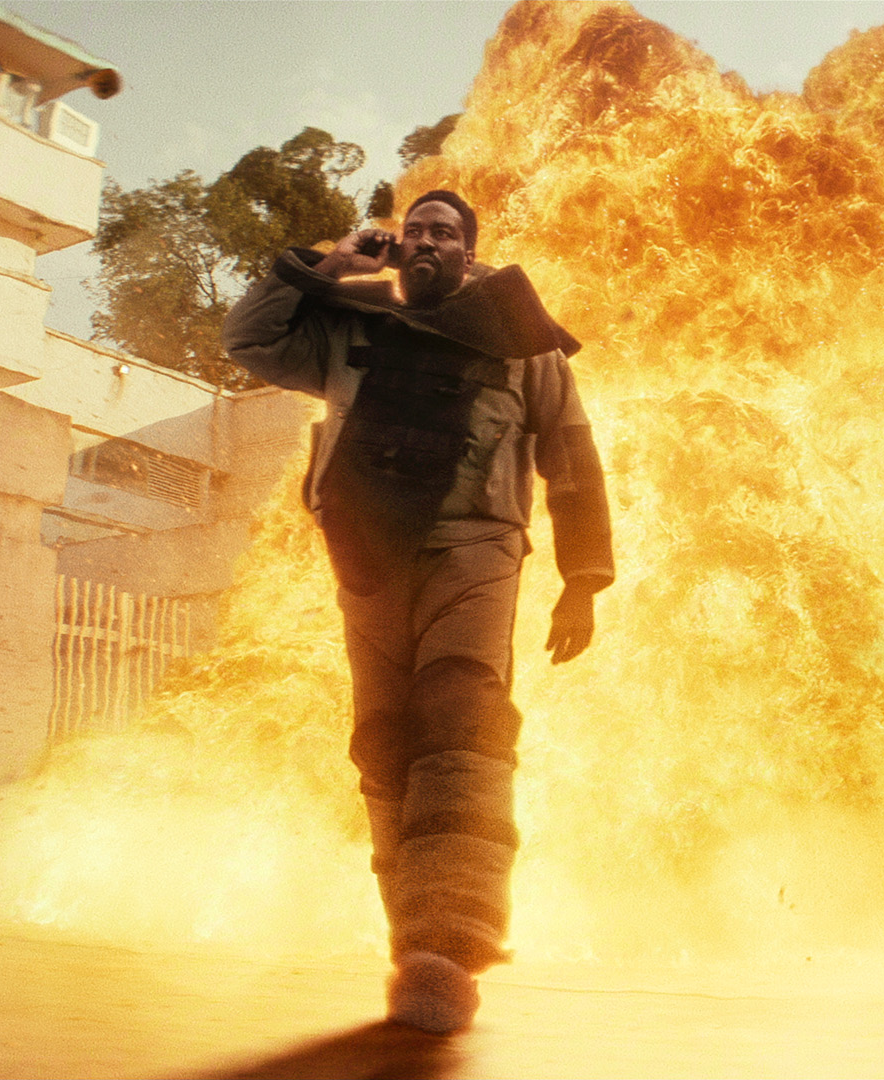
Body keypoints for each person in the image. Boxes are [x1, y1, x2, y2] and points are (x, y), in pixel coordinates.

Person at [221, 190, 613, 1033]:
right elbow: (249, 340)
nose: (428, 240)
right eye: (417, 232)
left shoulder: (521, 336)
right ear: (400, 249)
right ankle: (415, 943)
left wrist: (583, 576)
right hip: (365, 550)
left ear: (470, 254)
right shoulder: (350, 321)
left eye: (446, 232)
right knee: (384, 741)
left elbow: (570, 452)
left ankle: (452, 939)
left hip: (475, 546)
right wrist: (325, 272)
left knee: (462, 710)